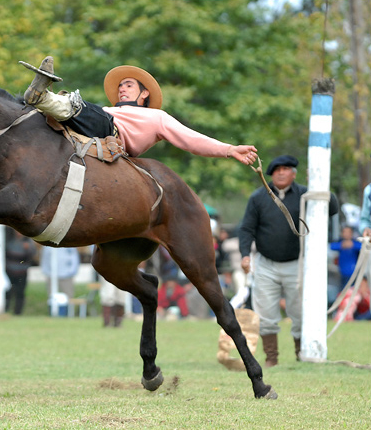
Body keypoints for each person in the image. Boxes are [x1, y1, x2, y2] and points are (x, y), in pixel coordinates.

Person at [20, 56, 259, 165]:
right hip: (81, 132)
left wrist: (229, 149)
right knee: (49, 119)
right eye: (121, 86)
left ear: (144, 94)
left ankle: (41, 97)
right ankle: (30, 104)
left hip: (110, 133)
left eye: (129, 85)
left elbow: (191, 139)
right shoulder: (105, 108)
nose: (122, 89)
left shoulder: (156, 117)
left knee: (77, 105)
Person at [238, 155, 339, 367]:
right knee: (265, 314)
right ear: (271, 174)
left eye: (286, 169)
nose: (281, 173)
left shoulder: (306, 194)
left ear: (294, 173)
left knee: (300, 312)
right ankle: (271, 359)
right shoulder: (258, 197)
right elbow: (247, 229)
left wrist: (319, 185)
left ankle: (301, 355)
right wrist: (245, 254)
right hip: (266, 263)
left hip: (298, 264)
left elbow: (332, 208)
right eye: (277, 170)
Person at [4, 230, 36, 315]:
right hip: (10, 271)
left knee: (20, 293)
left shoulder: (28, 242)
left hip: (22, 272)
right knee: (8, 291)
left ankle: (18, 312)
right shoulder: (10, 240)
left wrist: (28, 249)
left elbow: (33, 256)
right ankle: (6, 309)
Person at [330, 226, 361, 292]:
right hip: (342, 273)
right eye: (345, 232)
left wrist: (353, 245)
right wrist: (341, 245)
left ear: (352, 233)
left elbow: (363, 246)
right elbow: (332, 246)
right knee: (343, 292)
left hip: (354, 274)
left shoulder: (355, 243)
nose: (346, 234)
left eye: (348, 232)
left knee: (353, 293)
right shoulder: (340, 243)